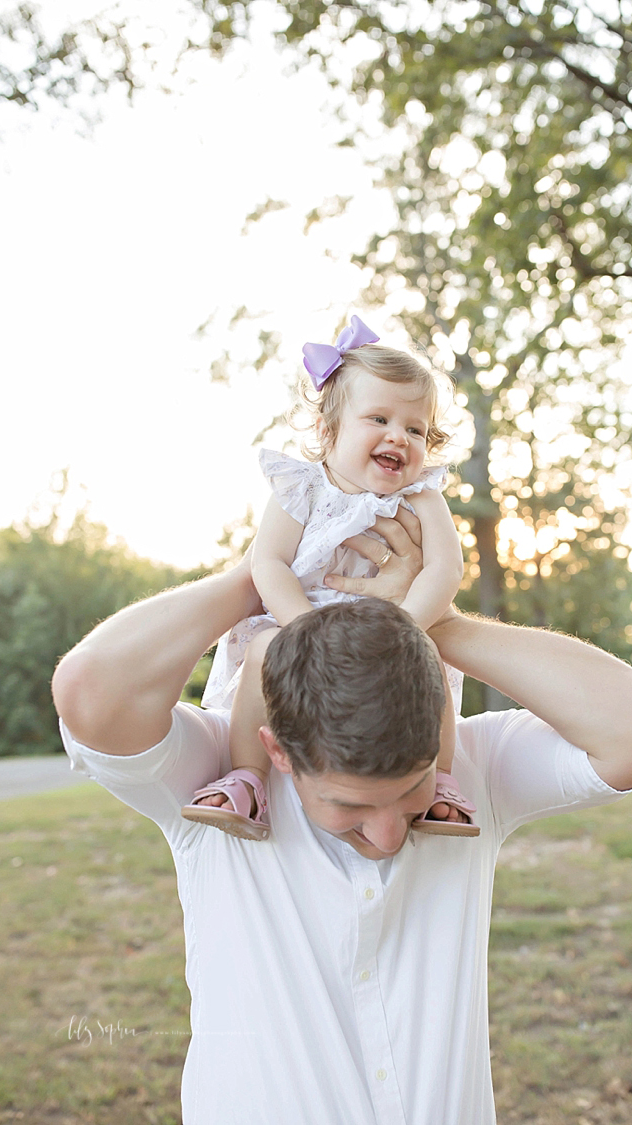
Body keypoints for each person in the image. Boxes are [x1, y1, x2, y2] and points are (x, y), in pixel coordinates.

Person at [50, 512, 632, 1123]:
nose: (389, 836)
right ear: (277, 748)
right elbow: (91, 689)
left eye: (413, 791)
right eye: (350, 803)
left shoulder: (467, 771)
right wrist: (269, 576)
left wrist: (424, 621)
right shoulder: (214, 779)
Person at [183, 316, 472, 839]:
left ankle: (440, 783)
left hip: (391, 629)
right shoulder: (301, 488)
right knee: (262, 651)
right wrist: (300, 627)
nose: (398, 437)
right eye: (379, 418)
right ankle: (247, 778)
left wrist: (407, 628)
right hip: (302, 623)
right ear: (327, 430)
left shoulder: (424, 497)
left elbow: (445, 570)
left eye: (415, 429)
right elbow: (267, 562)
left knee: (429, 656)